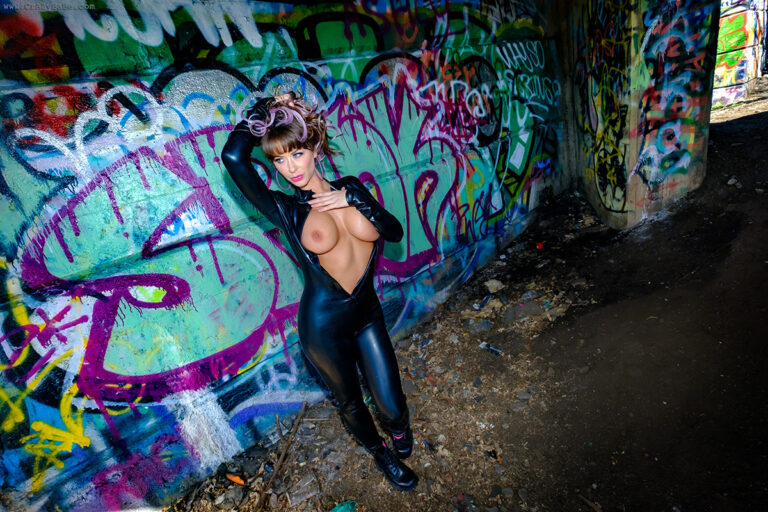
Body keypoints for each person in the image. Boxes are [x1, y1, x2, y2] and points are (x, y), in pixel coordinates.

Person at [221, 92, 418, 491]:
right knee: (350, 402)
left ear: (314, 148)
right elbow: (233, 157)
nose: (289, 168)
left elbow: (394, 232)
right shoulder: (286, 209)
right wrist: (265, 107)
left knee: (391, 402)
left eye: (296, 154)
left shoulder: (351, 188)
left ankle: (397, 427)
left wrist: (353, 198)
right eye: (278, 160)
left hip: (367, 313)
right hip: (323, 326)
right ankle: (380, 453)